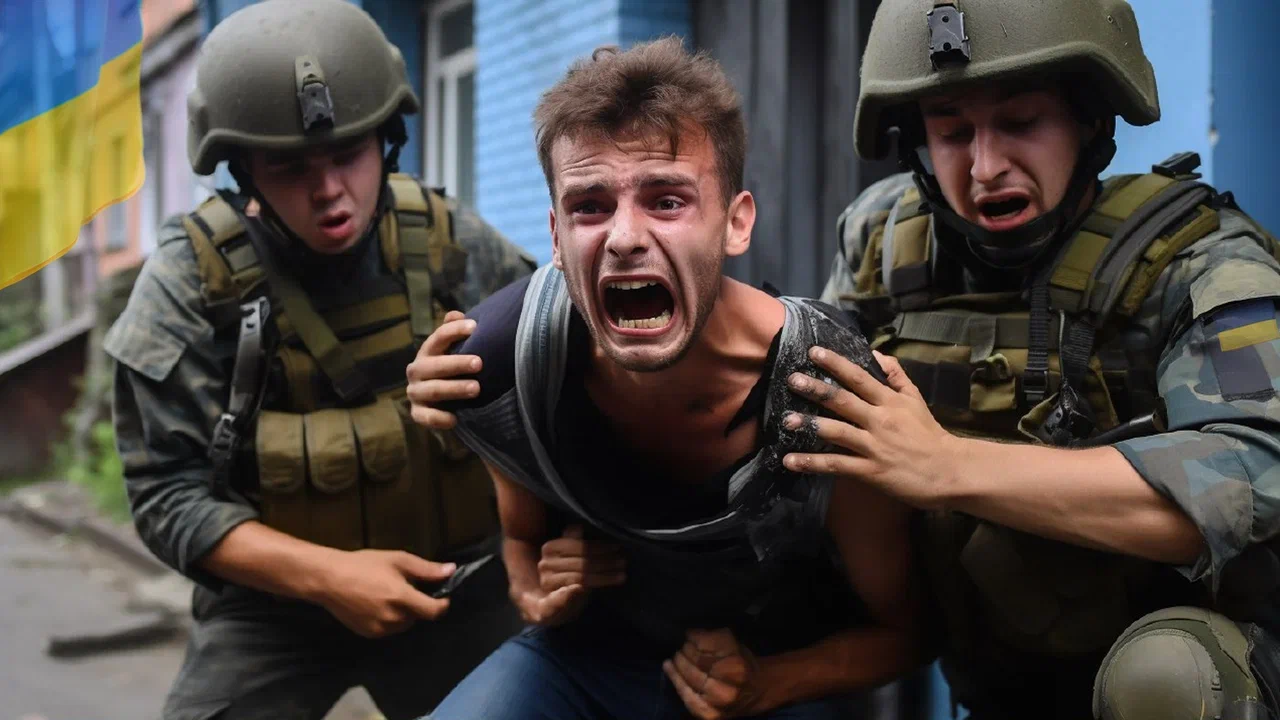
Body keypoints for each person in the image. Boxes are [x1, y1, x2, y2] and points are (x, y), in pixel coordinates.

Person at [404, 37, 928, 720]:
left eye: (667, 200)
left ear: (735, 223)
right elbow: (522, 548)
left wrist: (768, 683)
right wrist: (540, 592)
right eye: (590, 206)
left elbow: (911, 632)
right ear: (556, 237)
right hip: (584, 664)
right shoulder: (507, 362)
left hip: (773, 677)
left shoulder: (825, 389)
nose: (625, 236)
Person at [787, 1, 1280, 718]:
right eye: (952, 132)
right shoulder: (887, 247)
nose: (985, 167)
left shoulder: (1196, 259)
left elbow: (1255, 470)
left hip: (1211, 669)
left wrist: (947, 466)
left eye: (1020, 122)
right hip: (994, 670)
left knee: (1165, 680)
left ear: (1089, 119)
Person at [104, 1, 536, 718]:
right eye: (290, 166)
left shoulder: (446, 240)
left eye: (348, 155)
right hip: (275, 611)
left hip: (460, 584)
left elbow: (553, 391)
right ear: (243, 170)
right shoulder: (191, 280)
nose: (329, 190)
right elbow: (166, 494)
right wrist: (330, 577)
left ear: (386, 142)